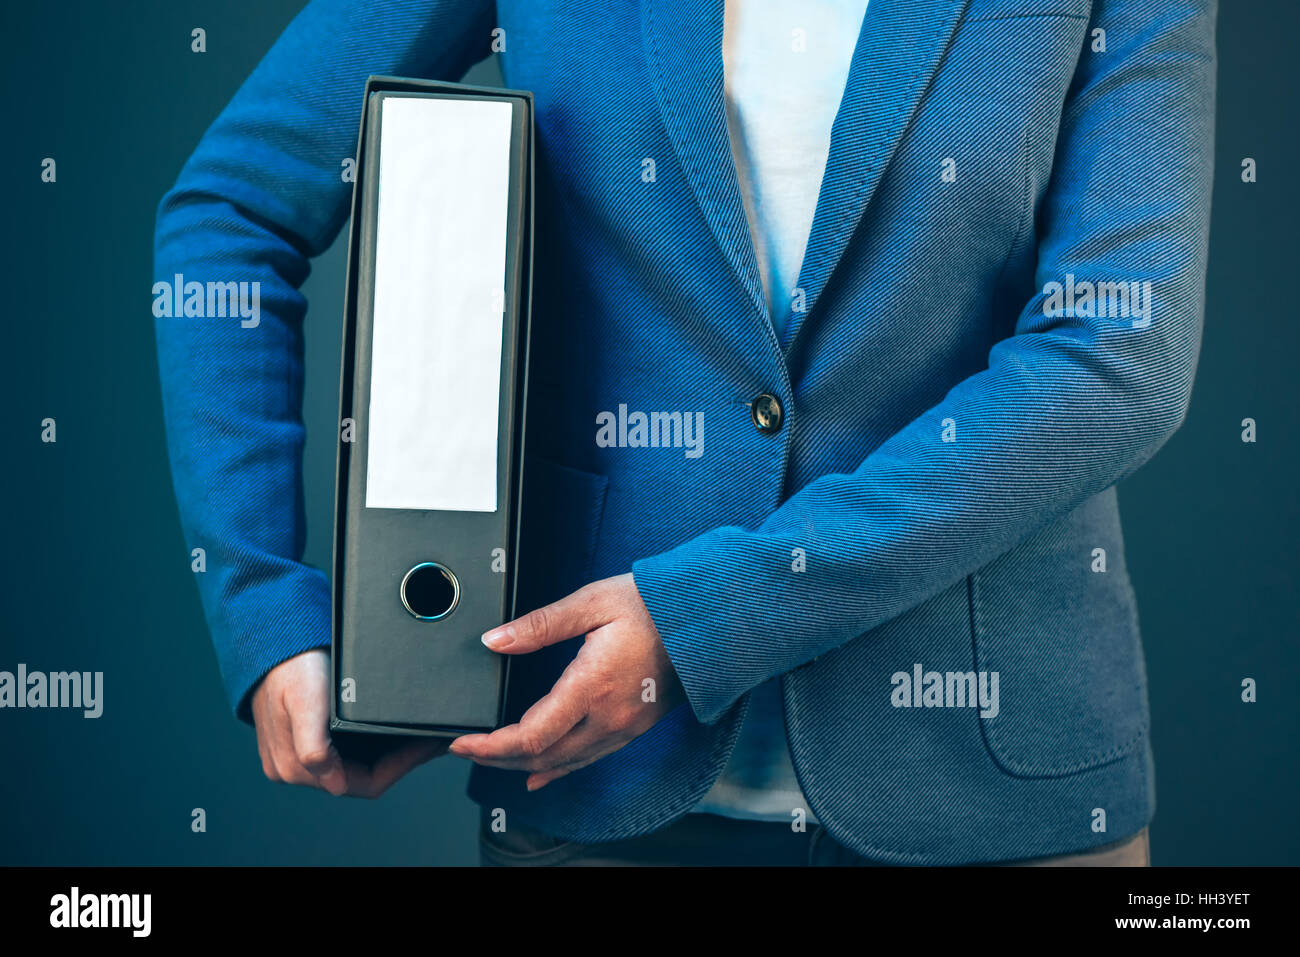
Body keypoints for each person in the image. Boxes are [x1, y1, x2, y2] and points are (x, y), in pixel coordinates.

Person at [153, 0, 1215, 866]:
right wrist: (264, 603)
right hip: (593, 784)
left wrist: (706, 618)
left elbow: (1119, 354)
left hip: (998, 795)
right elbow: (231, 214)